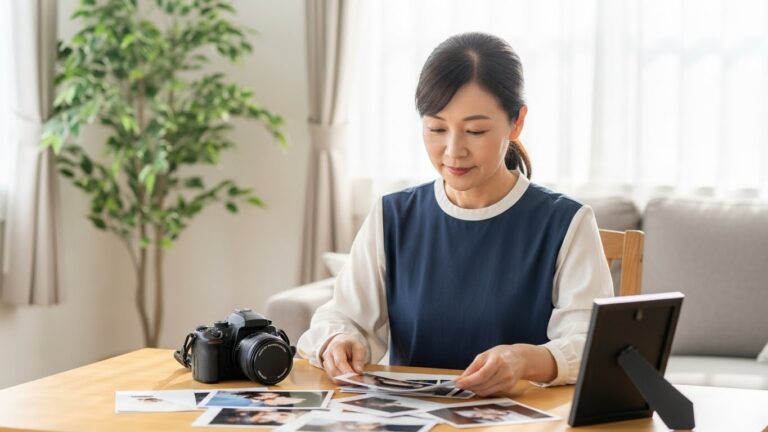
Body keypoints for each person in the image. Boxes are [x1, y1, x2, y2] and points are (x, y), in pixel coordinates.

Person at [297, 32, 613, 396]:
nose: (452, 150)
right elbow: (342, 316)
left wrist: (526, 360)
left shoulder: (565, 222)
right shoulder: (393, 215)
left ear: (516, 122)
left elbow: (590, 341)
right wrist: (337, 341)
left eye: (475, 130)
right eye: (436, 128)